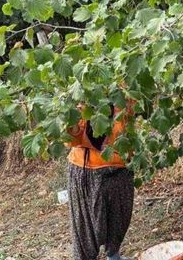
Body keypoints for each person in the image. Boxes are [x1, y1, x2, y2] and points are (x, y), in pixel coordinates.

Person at [65, 103, 134, 260]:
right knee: (86, 230)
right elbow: (72, 138)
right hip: (88, 170)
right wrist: (74, 124)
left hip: (121, 167)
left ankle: (114, 256)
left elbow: (131, 117)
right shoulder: (87, 90)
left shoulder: (125, 85)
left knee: (119, 219)